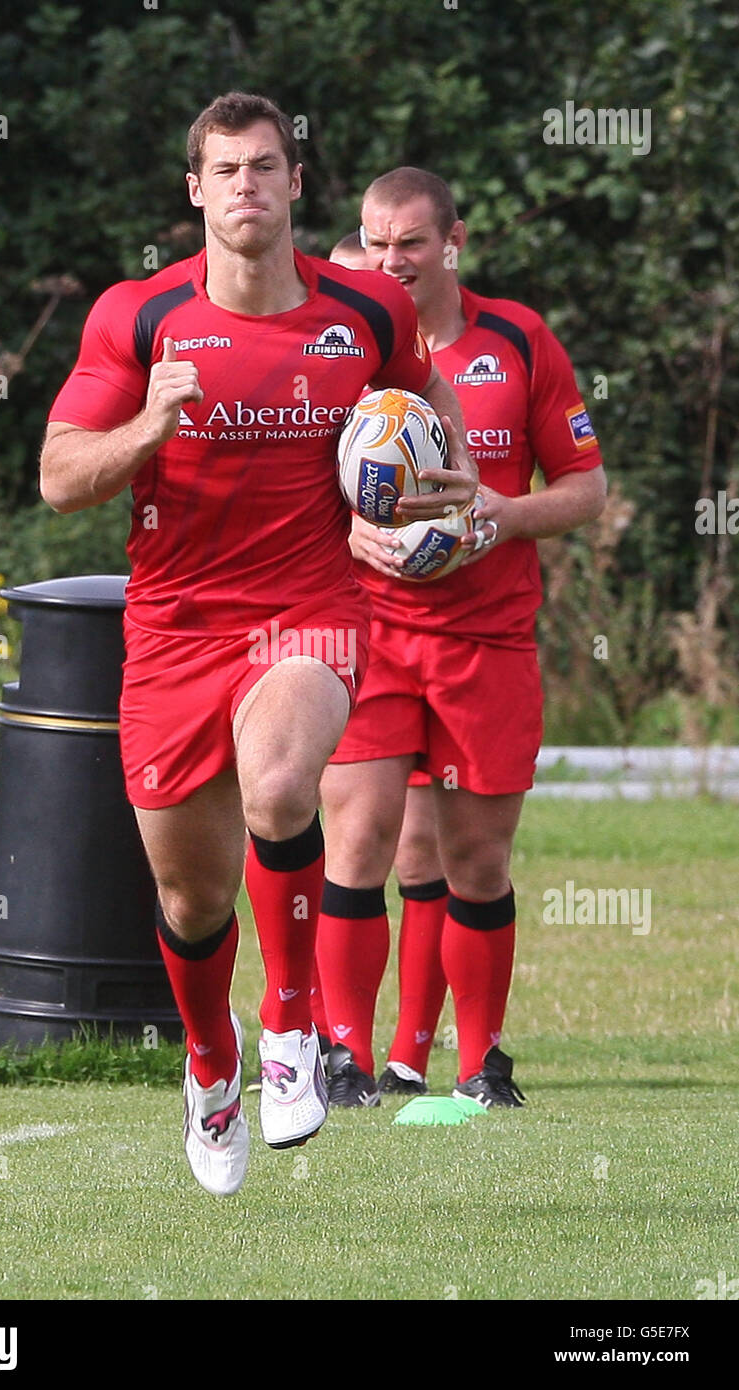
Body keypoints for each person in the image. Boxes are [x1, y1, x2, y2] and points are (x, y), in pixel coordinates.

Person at [40, 105, 477, 1194]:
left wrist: (434, 501)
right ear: (196, 189)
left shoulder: (367, 309)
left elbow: (424, 414)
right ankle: (212, 1060)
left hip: (311, 610)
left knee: (285, 788)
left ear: (295, 182)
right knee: (192, 901)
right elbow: (57, 477)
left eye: (266, 166)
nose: (247, 185)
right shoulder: (138, 318)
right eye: (225, 169)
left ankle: (293, 1025)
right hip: (175, 628)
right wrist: (149, 426)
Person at [317, 167, 607, 1108]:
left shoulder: (517, 339)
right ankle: (344, 1062)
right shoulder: (343, 343)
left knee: (473, 860)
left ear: (454, 243)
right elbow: (285, 482)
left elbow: (584, 489)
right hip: (370, 633)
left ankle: (481, 1065)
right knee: (359, 843)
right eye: (375, 240)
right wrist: (347, 528)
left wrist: (500, 514)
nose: (390, 261)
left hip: (487, 643)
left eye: (409, 242)